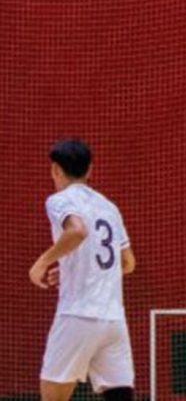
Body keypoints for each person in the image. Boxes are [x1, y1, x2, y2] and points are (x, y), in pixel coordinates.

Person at [30, 139, 136, 401]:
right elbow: (128, 263)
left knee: (53, 396)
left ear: (55, 169)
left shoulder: (59, 200)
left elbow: (77, 230)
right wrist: (72, 270)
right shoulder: (109, 207)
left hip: (77, 314)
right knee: (119, 395)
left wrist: (43, 261)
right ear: (90, 170)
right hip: (113, 319)